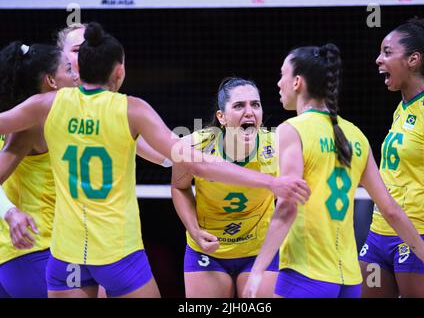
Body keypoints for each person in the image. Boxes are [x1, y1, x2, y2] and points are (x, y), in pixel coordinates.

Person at [0, 22, 309, 298]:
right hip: (115, 251)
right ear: (119, 71)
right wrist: (270, 181)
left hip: (65, 251)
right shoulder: (130, 110)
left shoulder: (45, 106)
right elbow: (187, 161)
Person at [243, 43, 424, 298]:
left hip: (306, 272)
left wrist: (257, 271)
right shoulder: (355, 135)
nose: (278, 83)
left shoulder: (292, 129)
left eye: (282, 75)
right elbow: (391, 209)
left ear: (297, 82)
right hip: (349, 280)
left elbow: (287, 206)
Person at [359, 14, 424, 298]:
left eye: (387, 52)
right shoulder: (402, 109)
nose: (378, 59)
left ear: (413, 60)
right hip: (378, 235)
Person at [172, 77, 279, 298]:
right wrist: (193, 230)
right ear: (221, 117)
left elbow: (291, 198)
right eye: (239, 105)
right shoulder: (195, 146)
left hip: (260, 250)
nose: (249, 112)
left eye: (255, 104)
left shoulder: (277, 146)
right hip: (207, 251)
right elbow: (179, 188)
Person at [0, 41, 78, 298]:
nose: (75, 75)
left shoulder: (48, 117)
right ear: (51, 82)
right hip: (34, 252)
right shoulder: (32, 124)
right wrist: (10, 213)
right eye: (68, 68)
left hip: (20, 255)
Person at [56, 22, 171, 167]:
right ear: (59, 55)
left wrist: (201, 140)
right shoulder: (46, 106)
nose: (86, 54)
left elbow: (166, 157)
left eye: (89, 47)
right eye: (78, 50)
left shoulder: (115, 109)